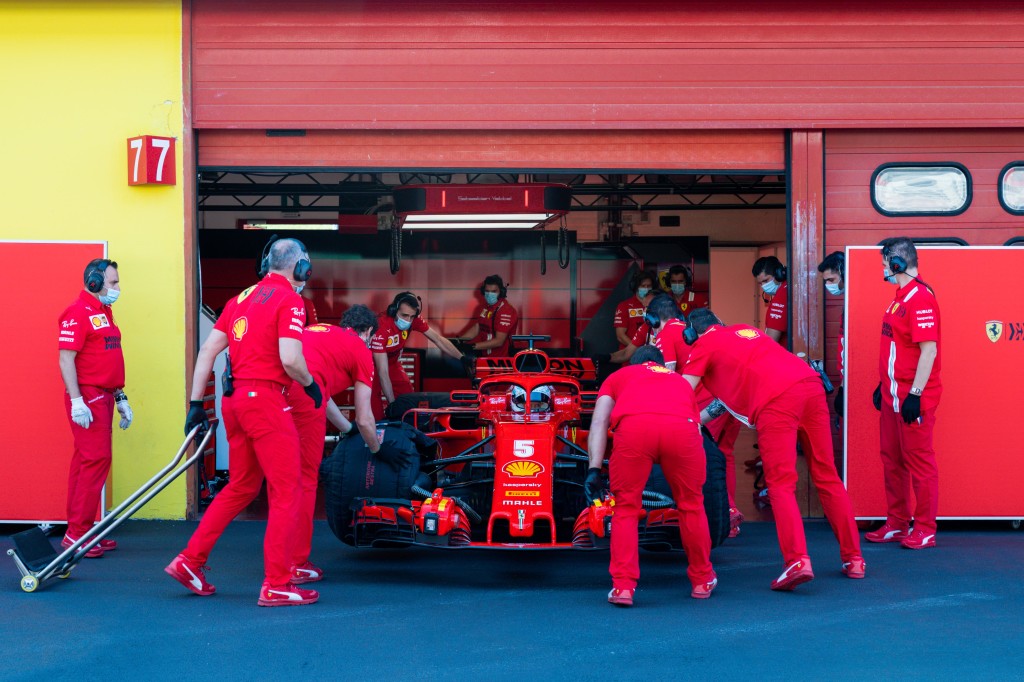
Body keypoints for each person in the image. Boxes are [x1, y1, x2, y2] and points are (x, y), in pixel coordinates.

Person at [167, 237, 324, 607]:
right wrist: (310, 384)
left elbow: (208, 350)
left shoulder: (240, 298)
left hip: (234, 402)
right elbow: (290, 358)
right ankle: (277, 583)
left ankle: (190, 560)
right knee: (287, 491)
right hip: (266, 400)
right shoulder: (291, 301)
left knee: (241, 486)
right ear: (300, 267)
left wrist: (195, 403)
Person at [681, 308, 865, 591]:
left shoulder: (703, 344)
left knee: (780, 484)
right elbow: (723, 403)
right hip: (810, 387)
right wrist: (699, 421)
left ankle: (797, 561)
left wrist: (674, 420)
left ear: (691, 334)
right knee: (827, 476)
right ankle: (854, 559)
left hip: (776, 402)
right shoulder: (745, 330)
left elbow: (682, 391)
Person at [586, 345, 717, 606]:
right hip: (681, 431)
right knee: (691, 504)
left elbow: (599, 422)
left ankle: (623, 587)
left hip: (634, 430)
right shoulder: (679, 381)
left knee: (625, 509)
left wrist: (594, 468)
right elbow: (696, 422)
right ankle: (702, 580)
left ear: (633, 364)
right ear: (662, 365)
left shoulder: (619, 376)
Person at [284, 305, 382, 585]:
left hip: (273, 392)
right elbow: (365, 418)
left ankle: (278, 559)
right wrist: (377, 450)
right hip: (302, 399)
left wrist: (346, 429)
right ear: (368, 331)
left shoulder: (319, 332)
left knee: (278, 480)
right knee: (305, 481)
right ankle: (296, 563)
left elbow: (321, 392)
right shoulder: (360, 349)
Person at [867, 237, 941, 550]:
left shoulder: (920, 298)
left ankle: (925, 529)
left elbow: (928, 351)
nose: (883, 269)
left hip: (911, 399)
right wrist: (883, 385)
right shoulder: (899, 298)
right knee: (892, 460)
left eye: (885, 263)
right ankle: (897, 523)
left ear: (897, 264)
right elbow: (898, 347)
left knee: (920, 464)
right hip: (892, 396)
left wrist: (916, 394)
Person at [57, 258, 133, 558]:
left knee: (85, 462)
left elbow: (107, 358)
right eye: (112, 282)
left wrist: (120, 397)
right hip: (88, 397)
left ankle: (81, 530)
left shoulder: (103, 312)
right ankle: (78, 535)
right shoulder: (77, 312)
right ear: (94, 282)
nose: (117, 288)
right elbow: (66, 358)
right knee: (95, 460)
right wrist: (77, 401)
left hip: (103, 396)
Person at [370, 291, 468, 420]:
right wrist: (393, 405)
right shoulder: (381, 327)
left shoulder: (414, 320)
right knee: (374, 411)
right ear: (394, 310)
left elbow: (438, 339)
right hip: (370, 367)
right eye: (404, 315)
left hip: (392, 363)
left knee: (408, 403)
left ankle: (406, 430)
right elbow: (382, 371)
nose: (408, 320)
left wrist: (462, 358)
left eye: (411, 316)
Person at [818, 251, 846, 417]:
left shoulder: (857, 302)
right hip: (845, 381)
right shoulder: (847, 302)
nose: (828, 285)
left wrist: (844, 387)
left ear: (843, 273)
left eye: (831, 280)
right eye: (826, 281)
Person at [463, 274, 519, 357]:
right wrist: (459, 341)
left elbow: (499, 341)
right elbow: (477, 327)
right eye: (487, 291)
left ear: (501, 292)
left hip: (501, 360)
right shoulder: (486, 307)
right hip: (486, 357)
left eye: (493, 291)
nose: (489, 294)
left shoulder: (506, 310)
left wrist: (472, 346)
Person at [612, 269, 658, 351]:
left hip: (653, 354)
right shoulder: (624, 306)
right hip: (630, 355)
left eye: (649, 286)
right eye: (643, 286)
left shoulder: (657, 305)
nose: (646, 288)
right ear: (636, 287)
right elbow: (620, 336)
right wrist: (639, 350)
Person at [752, 256, 789, 344]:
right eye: (760, 283)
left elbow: (771, 340)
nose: (763, 286)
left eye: (766, 280)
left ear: (779, 274)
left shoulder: (783, 293)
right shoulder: (789, 288)